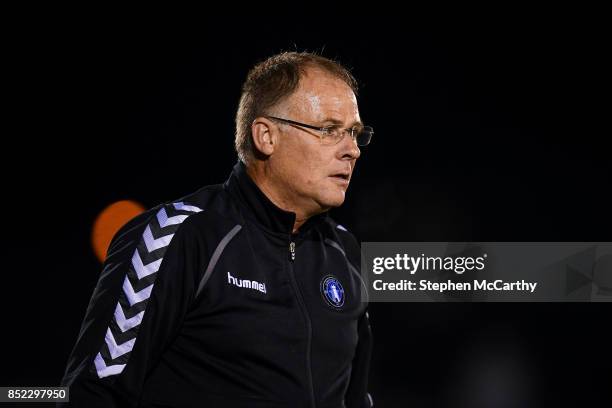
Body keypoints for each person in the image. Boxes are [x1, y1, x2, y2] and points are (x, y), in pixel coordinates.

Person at [60, 51, 374, 408]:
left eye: (355, 134)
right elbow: (93, 394)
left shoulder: (345, 255)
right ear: (266, 136)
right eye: (329, 130)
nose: (352, 150)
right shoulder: (180, 237)